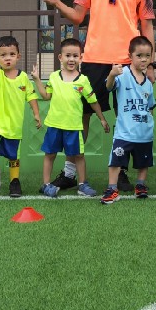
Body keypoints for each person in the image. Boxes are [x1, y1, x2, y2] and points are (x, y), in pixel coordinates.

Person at [41, 0, 155, 192]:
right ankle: (70, 173)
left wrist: (149, 63)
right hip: (94, 58)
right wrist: (57, 3)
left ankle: (122, 171)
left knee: (127, 116)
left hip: (128, 62)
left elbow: (147, 25)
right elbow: (78, 16)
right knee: (81, 116)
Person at [31, 37, 109, 198]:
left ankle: (82, 185)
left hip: (74, 127)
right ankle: (46, 185)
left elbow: (93, 101)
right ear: (60, 57)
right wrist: (37, 79)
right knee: (50, 154)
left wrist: (102, 118)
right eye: (68, 55)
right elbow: (46, 96)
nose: (71, 59)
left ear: (81, 58)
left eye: (75, 56)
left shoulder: (83, 80)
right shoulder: (54, 77)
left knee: (79, 156)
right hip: (54, 125)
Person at [100, 36, 156, 204]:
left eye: (147, 56)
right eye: (139, 55)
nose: (144, 59)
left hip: (144, 133)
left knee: (143, 162)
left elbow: (150, 106)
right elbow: (108, 87)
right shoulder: (122, 73)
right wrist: (112, 74)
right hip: (124, 132)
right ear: (130, 55)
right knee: (115, 161)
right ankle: (112, 189)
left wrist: (150, 122)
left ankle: (140, 185)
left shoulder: (148, 84)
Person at [0, 35, 41, 198]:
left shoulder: (23, 77)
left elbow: (31, 96)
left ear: (18, 56)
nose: (8, 58)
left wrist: (36, 114)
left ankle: (14, 182)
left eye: (12, 54)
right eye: (3, 55)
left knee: (13, 156)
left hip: (14, 125)